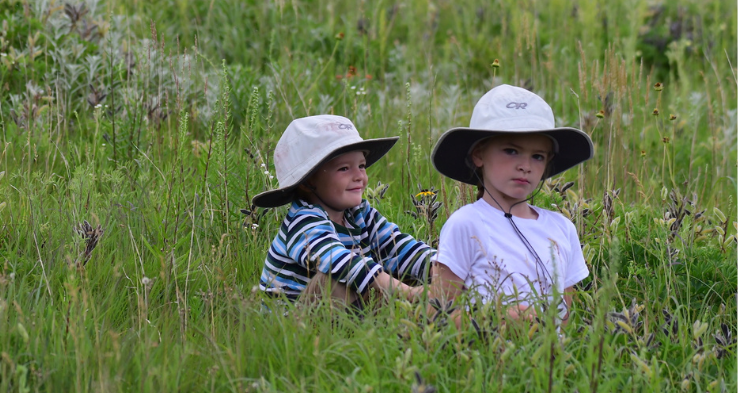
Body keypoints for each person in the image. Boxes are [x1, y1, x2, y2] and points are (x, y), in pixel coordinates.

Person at [428, 84, 594, 325]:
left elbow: (564, 318)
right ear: (479, 155)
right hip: (486, 357)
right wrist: (499, 319)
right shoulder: (466, 224)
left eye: (537, 156)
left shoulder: (562, 228)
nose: (525, 165)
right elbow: (439, 312)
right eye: (511, 151)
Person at [253, 115, 435, 308]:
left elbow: (396, 245)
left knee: (405, 269)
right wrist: (408, 293)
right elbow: (342, 263)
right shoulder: (303, 222)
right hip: (297, 326)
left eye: (362, 166)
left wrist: (441, 268)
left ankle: (422, 314)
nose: (359, 176)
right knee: (334, 279)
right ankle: (402, 318)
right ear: (308, 182)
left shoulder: (359, 213)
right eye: (344, 168)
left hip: (348, 310)